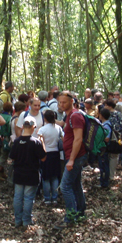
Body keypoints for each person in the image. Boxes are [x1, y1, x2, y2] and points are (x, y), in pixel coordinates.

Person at [9, 116, 47, 229]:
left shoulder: (16, 141)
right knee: (29, 197)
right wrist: (42, 142)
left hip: (19, 173)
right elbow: (44, 158)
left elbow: (12, 157)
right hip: (32, 174)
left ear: (22, 127)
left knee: (18, 197)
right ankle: (26, 220)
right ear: (33, 127)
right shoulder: (35, 142)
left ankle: (17, 220)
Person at [57, 91, 87, 229]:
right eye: (60, 102)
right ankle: (80, 212)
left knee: (65, 186)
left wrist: (71, 160)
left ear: (71, 102)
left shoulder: (75, 116)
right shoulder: (69, 115)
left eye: (64, 102)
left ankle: (70, 217)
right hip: (73, 156)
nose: (61, 105)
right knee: (75, 184)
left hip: (75, 156)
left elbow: (78, 139)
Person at [38, 109, 63, 204]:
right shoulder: (58, 128)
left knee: (46, 177)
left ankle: (47, 198)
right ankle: (55, 197)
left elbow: (39, 141)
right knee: (55, 176)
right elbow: (63, 139)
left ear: (45, 118)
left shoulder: (42, 129)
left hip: (46, 153)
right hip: (56, 153)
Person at [97, 108, 114, 188]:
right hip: (102, 148)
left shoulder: (106, 126)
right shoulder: (104, 124)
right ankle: (103, 181)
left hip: (104, 149)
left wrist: (98, 138)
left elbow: (107, 138)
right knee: (102, 165)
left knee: (104, 165)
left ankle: (104, 183)